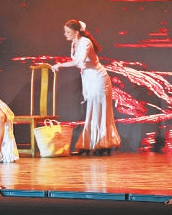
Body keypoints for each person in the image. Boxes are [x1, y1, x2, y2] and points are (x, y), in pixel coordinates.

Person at [51, 19, 121, 155]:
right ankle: (91, 142)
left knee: (99, 110)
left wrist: (60, 65)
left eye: (68, 32)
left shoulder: (85, 42)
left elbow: (79, 61)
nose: (65, 34)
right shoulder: (75, 42)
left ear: (76, 32)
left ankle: (102, 143)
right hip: (89, 78)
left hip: (98, 78)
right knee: (92, 110)